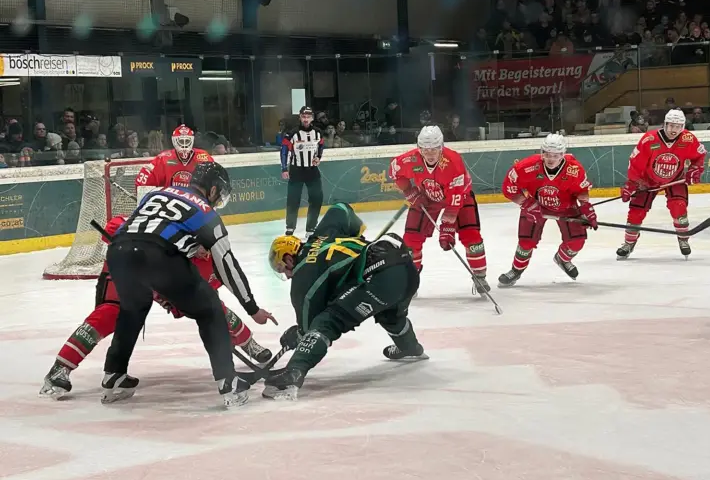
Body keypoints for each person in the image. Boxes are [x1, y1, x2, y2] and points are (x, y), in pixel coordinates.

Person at [39, 216, 275, 400]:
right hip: (127, 266)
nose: (203, 250)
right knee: (111, 313)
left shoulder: (209, 261)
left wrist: (174, 300)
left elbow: (209, 305)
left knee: (213, 308)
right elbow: (116, 225)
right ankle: (60, 369)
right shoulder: (169, 230)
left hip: (161, 276)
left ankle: (250, 344)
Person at [103, 162, 270, 408]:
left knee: (132, 309)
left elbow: (148, 228)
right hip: (157, 257)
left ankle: (113, 376)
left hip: (118, 252)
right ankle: (228, 382)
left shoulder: (156, 193)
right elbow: (226, 265)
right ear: (212, 190)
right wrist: (252, 308)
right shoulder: (207, 213)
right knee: (210, 309)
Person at [262, 202, 426, 400]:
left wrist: (297, 336)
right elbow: (341, 209)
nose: (287, 276)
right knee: (389, 314)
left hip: (380, 276)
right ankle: (411, 347)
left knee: (328, 322)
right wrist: (357, 235)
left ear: (289, 259)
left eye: (282, 269)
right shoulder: (322, 234)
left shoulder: (301, 279)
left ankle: (294, 373)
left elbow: (311, 329)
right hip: (405, 266)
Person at [388, 125, 490, 294]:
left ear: (441, 146)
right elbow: (394, 171)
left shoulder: (453, 161)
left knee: (471, 236)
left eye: (434, 149)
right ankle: (410, 281)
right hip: (427, 198)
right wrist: (409, 191)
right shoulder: (409, 160)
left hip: (460, 198)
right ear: (418, 147)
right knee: (411, 239)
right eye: (425, 149)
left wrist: (448, 227)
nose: (429, 153)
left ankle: (480, 276)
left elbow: (456, 196)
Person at [498, 134, 597, 287]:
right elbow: (509, 189)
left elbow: (582, 191)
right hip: (535, 205)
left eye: (556, 155)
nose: (551, 159)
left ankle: (563, 259)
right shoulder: (526, 166)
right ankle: (516, 270)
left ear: (563, 154)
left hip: (566, 206)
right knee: (526, 242)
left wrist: (586, 208)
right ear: (542, 152)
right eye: (547, 154)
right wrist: (527, 204)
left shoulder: (574, 169)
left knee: (577, 241)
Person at [616, 108, 706, 260]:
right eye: (671, 126)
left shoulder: (688, 139)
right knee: (636, 212)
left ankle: (683, 239)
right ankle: (628, 243)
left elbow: (699, 155)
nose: (674, 130)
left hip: (675, 179)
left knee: (679, 207)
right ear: (665, 124)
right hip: (647, 180)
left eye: (678, 126)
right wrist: (632, 184)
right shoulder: (649, 140)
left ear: (683, 127)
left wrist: (695, 169)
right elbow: (635, 164)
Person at [281, 106, 324, 239]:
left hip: (312, 170)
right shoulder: (292, 133)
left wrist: (319, 157)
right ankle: (290, 227)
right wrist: (284, 168)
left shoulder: (318, 132)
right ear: (300, 117)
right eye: (303, 116)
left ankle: (311, 228)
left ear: (312, 118)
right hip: (296, 170)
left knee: (317, 198)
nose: (305, 119)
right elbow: (284, 150)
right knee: (293, 200)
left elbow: (321, 145)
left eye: (308, 116)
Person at [134, 124, 213, 196]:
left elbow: (213, 182)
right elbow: (142, 182)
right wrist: (144, 197)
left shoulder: (203, 157)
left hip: (195, 204)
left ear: (192, 140)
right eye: (181, 141)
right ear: (174, 141)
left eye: (187, 141)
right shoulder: (163, 159)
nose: (184, 145)